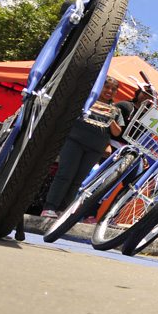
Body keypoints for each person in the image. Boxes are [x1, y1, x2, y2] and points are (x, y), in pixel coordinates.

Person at [40, 76, 124, 217]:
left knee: (78, 180)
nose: (109, 91)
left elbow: (117, 132)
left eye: (113, 89)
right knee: (65, 175)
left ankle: (63, 210)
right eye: (106, 87)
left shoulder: (116, 110)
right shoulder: (86, 101)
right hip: (75, 142)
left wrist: (109, 117)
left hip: (96, 148)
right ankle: (49, 207)